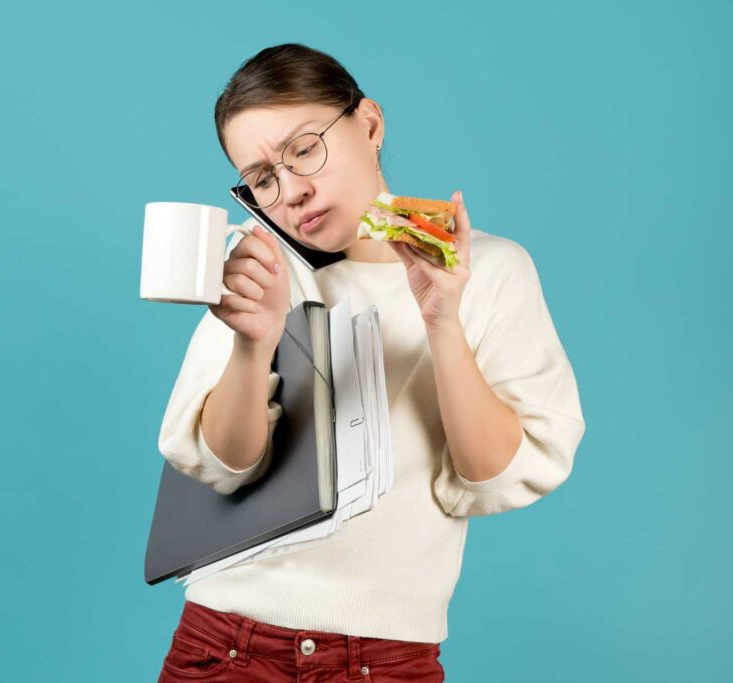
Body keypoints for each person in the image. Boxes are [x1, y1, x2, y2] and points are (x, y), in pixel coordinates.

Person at [155, 43, 586, 682]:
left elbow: (492, 475)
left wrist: (442, 319)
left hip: (383, 657)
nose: (294, 191)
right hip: (227, 640)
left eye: (304, 148)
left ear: (371, 124)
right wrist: (252, 341)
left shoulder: (490, 270)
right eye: (264, 178)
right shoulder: (263, 272)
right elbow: (223, 466)